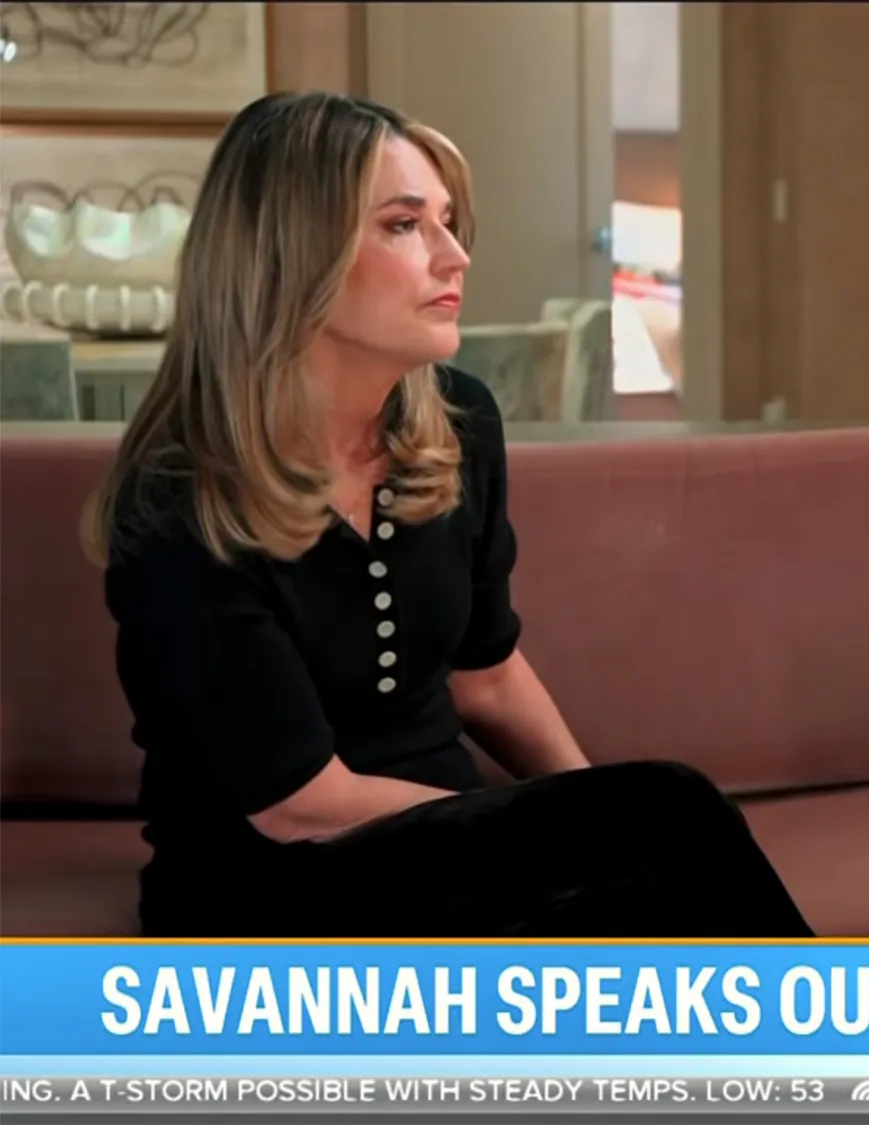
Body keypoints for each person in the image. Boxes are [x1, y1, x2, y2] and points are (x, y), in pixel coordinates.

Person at [84, 92, 813, 938]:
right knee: (665, 811)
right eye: (404, 225)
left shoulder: (458, 422)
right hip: (268, 881)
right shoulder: (181, 495)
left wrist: (596, 814)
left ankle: (841, 1060)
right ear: (289, 256)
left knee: (657, 845)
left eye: (449, 222)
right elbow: (301, 806)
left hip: (455, 850)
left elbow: (486, 675)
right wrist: (592, 830)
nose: (455, 255)